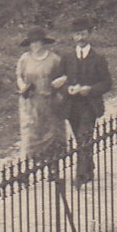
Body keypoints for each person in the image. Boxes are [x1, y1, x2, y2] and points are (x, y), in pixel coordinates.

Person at [59, 17, 112, 184]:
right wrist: (67, 88)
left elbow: (107, 83)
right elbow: (60, 81)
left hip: (90, 105)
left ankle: (80, 175)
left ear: (89, 34)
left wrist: (91, 90)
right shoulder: (67, 58)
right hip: (72, 105)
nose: (80, 38)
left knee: (84, 137)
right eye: (77, 35)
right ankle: (88, 167)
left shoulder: (98, 58)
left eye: (83, 34)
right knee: (80, 138)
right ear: (73, 37)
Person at [16, 25, 69, 161]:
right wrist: (23, 87)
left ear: (43, 42)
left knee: (52, 135)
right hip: (30, 103)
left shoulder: (54, 59)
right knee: (30, 135)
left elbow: (64, 76)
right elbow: (19, 76)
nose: (35, 45)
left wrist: (60, 81)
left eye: (38, 41)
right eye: (32, 42)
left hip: (49, 102)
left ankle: (54, 167)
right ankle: (27, 170)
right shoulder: (24, 59)